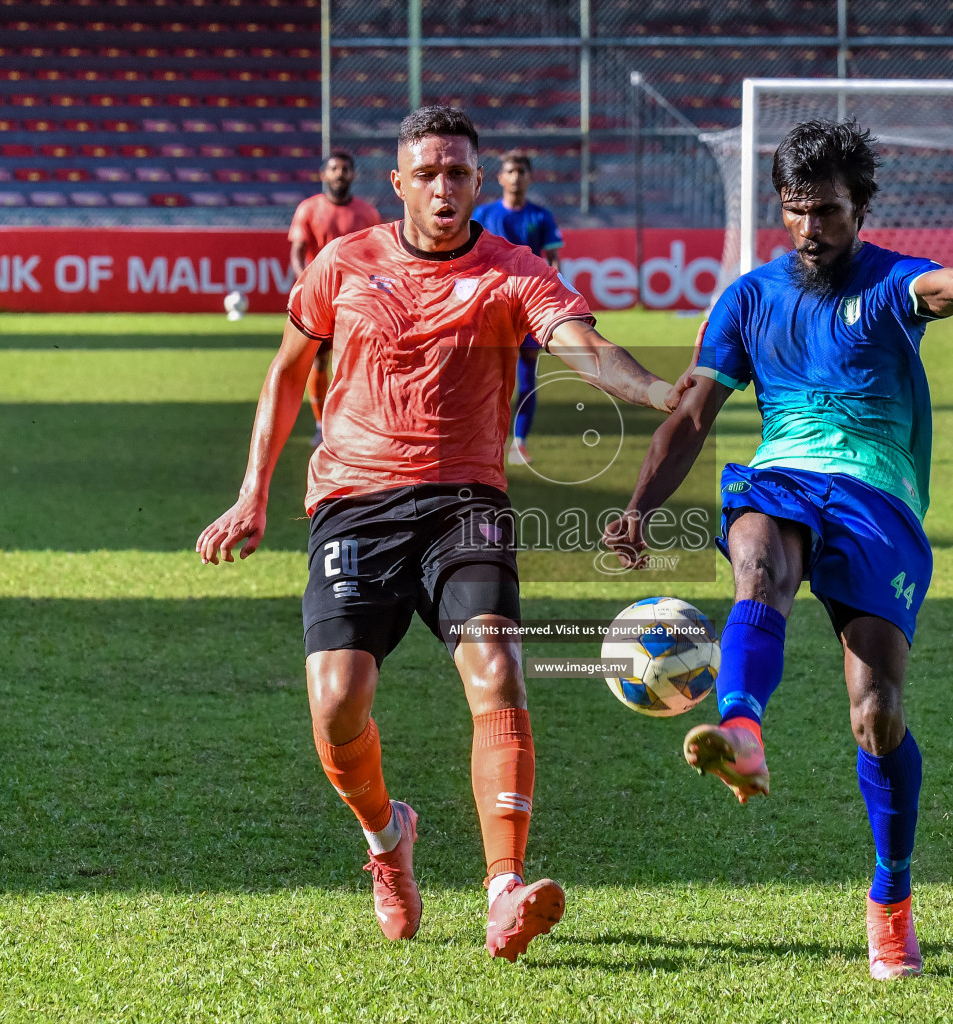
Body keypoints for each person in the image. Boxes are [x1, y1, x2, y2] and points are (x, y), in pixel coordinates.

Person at [603, 119, 953, 980]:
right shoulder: (749, 297)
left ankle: (891, 898)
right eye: (797, 211)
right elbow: (691, 414)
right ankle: (742, 730)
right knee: (758, 563)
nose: (811, 228)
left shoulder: (891, 282)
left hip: (879, 497)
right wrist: (640, 507)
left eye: (829, 211)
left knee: (877, 716)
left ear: (861, 208)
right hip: (785, 475)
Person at [198, 106, 690, 961]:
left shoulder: (511, 269)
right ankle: (390, 840)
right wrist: (252, 495)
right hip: (353, 504)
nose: (444, 187)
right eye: (427, 172)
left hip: (466, 503)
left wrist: (652, 391)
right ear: (398, 183)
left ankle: (503, 889)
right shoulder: (343, 263)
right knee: (337, 703)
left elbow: (581, 343)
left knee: (497, 667)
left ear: (477, 180)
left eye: (458, 172)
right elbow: (285, 376)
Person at [471, 150, 564, 467]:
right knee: (488, 378)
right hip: (492, 306)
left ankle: (519, 443)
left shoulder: (541, 216)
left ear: (529, 177)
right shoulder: (483, 215)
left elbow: (552, 262)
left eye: (522, 171)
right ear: (500, 177)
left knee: (526, 378)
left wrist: (553, 296)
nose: (516, 176)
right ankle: (486, 441)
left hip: (528, 306)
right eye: (511, 170)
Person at [288, 150, 382, 446]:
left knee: (357, 363)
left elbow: (376, 257)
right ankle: (320, 424)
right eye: (334, 168)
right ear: (324, 175)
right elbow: (297, 253)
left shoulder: (367, 214)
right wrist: (308, 285)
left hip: (356, 301)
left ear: (353, 175)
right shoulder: (308, 209)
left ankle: (354, 421)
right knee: (319, 362)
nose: (340, 173)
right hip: (318, 299)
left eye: (345, 168)